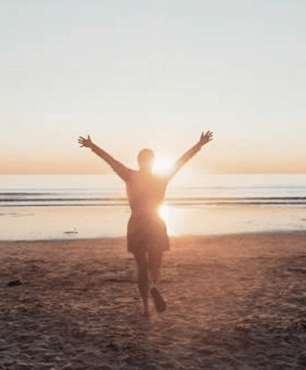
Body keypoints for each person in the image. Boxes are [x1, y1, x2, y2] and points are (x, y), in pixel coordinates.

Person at [78, 131, 213, 315]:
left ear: (139, 162)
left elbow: (111, 161)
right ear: (153, 162)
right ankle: (155, 285)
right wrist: (199, 145)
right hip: (156, 222)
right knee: (155, 264)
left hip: (137, 223)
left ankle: (145, 307)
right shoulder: (161, 178)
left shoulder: (130, 176)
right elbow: (181, 162)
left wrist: (93, 147)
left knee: (141, 267)